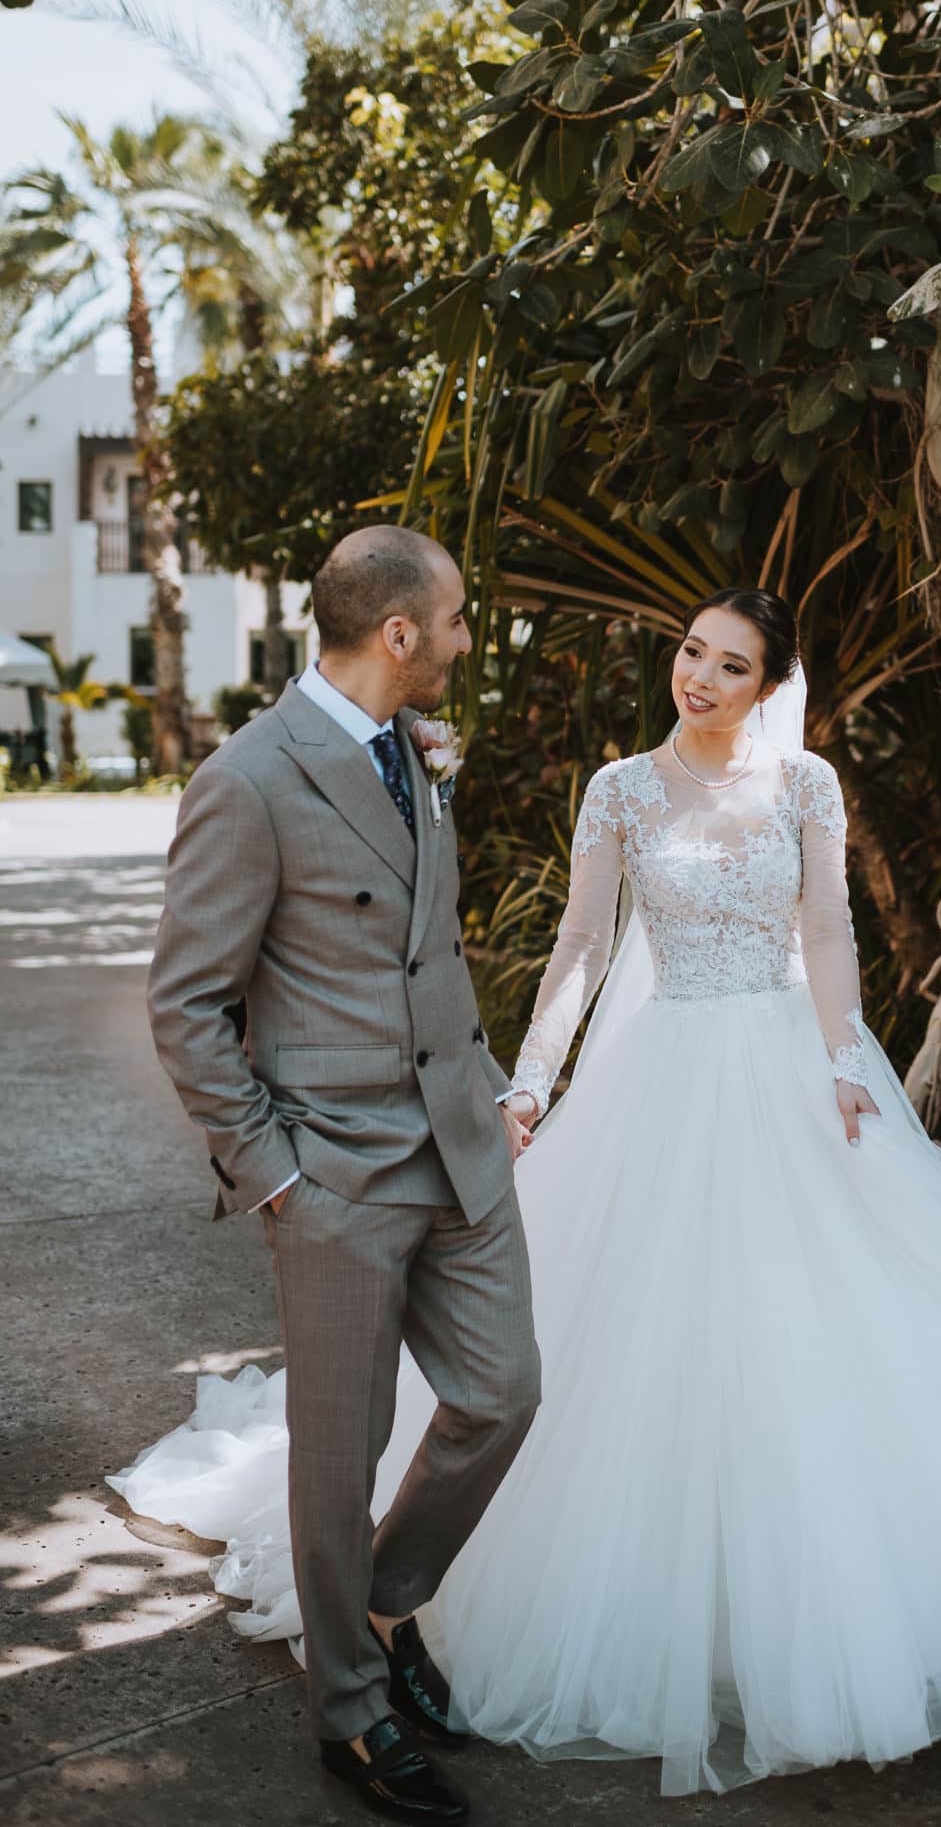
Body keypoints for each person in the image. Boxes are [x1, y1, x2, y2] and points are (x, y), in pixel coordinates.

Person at [115, 584, 941, 1800]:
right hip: (661, 1074)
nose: (701, 677)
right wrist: (528, 1086)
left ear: (769, 688)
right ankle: (378, 1634)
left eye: (731, 665)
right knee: (578, 1355)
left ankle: (776, 1604)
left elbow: (827, 933)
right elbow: (581, 945)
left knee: (810, 1338)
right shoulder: (619, 789)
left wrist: (845, 1063)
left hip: (784, 1070)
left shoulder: (806, 787)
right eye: (691, 652)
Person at [130, 526, 541, 1826]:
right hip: (335, 1179)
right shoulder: (249, 778)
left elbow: (430, 950)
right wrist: (276, 1177)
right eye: (459, 621)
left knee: (504, 1393)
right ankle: (350, 1712)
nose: (470, 640)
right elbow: (188, 1004)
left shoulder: (413, 747)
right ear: (400, 636)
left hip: (461, 1147)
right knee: (339, 1449)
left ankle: (382, 1597)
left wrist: (485, 1083)